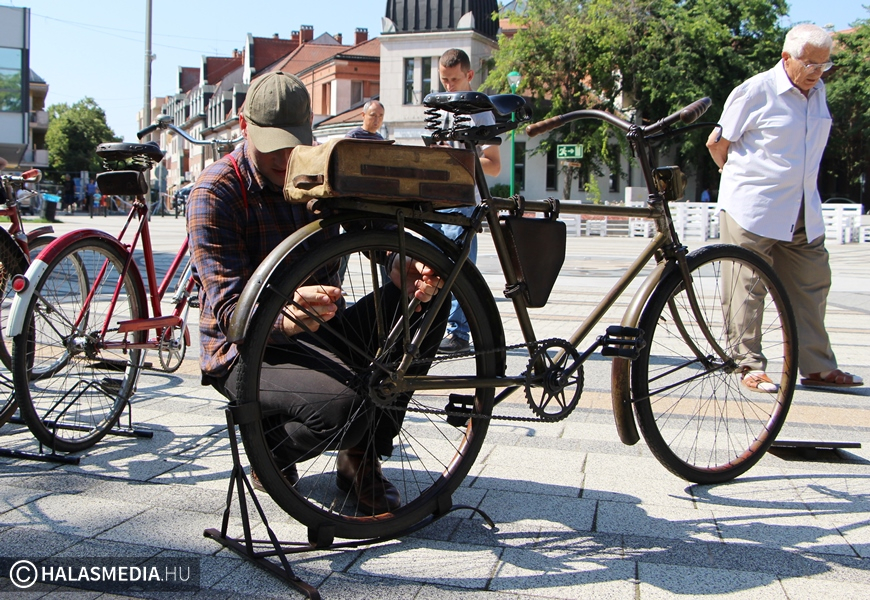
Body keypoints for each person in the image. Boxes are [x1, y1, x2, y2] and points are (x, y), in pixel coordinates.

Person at [187, 71, 446, 514]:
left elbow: (372, 228)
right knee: (344, 406)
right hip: (245, 349)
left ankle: (360, 454)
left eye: (293, 142)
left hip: (320, 329)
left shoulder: (318, 168)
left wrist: (398, 262)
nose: (283, 156)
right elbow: (231, 313)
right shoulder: (216, 192)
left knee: (429, 301)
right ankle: (270, 450)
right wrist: (285, 315)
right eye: (271, 143)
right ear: (244, 126)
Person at [706, 23, 862, 391]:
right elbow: (716, 143)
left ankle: (817, 367)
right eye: (809, 64)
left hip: (803, 208)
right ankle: (748, 364)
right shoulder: (754, 91)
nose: (816, 72)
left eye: (823, 65)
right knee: (746, 286)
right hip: (753, 208)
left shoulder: (818, 92)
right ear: (786, 57)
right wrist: (738, 178)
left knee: (812, 284)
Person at [432, 48, 501, 354]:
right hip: (436, 198)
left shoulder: (479, 110)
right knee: (430, 264)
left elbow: (493, 164)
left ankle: (459, 334)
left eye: (454, 80)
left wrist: (453, 162)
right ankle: (433, 329)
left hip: (463, 201)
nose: (449, 87)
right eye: (444, 80)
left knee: (459, 269)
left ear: (470, 75)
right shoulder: (442, 107)